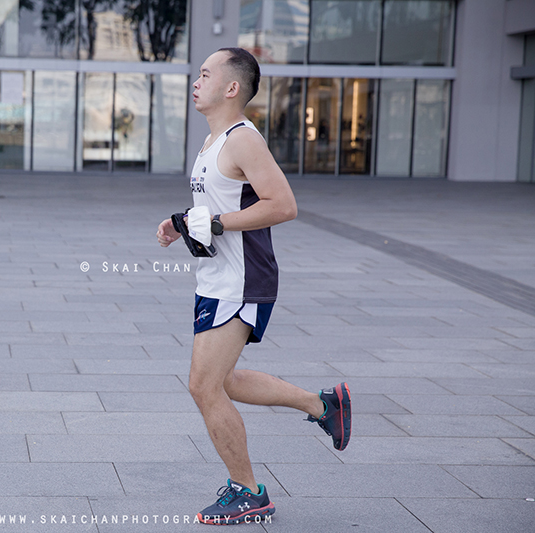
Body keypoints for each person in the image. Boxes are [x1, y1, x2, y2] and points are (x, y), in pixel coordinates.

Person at [156, 47, 351, 525]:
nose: (195, 81)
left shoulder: (243, 139)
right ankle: (322, 404)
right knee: (224, 382)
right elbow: (222, 206)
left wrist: (216, 224)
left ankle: (249, 492)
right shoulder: (212, 142)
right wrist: (183, 223)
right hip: (218, 277)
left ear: (231, 88)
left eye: (205, 74)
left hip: (242, 279)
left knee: (203, 385)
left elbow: (283, 205)